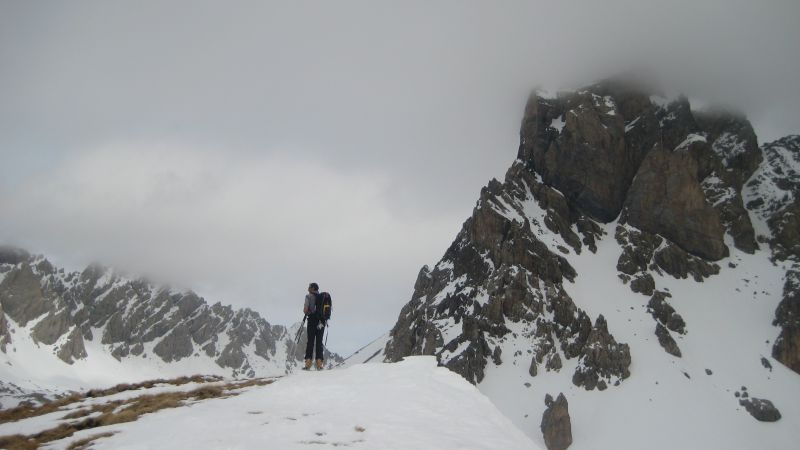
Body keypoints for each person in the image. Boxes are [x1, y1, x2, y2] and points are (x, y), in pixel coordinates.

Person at [303, 282, 325, 370]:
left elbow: (305, 310)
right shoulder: (322, 297)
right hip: (321, 322)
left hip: (312, 321)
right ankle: (319, 364)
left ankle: (308, 363)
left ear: (312, 288)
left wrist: (309, 312)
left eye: (309, 287)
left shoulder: (308, 296)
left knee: (310, 341)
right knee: (319, 342)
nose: (308, 288)